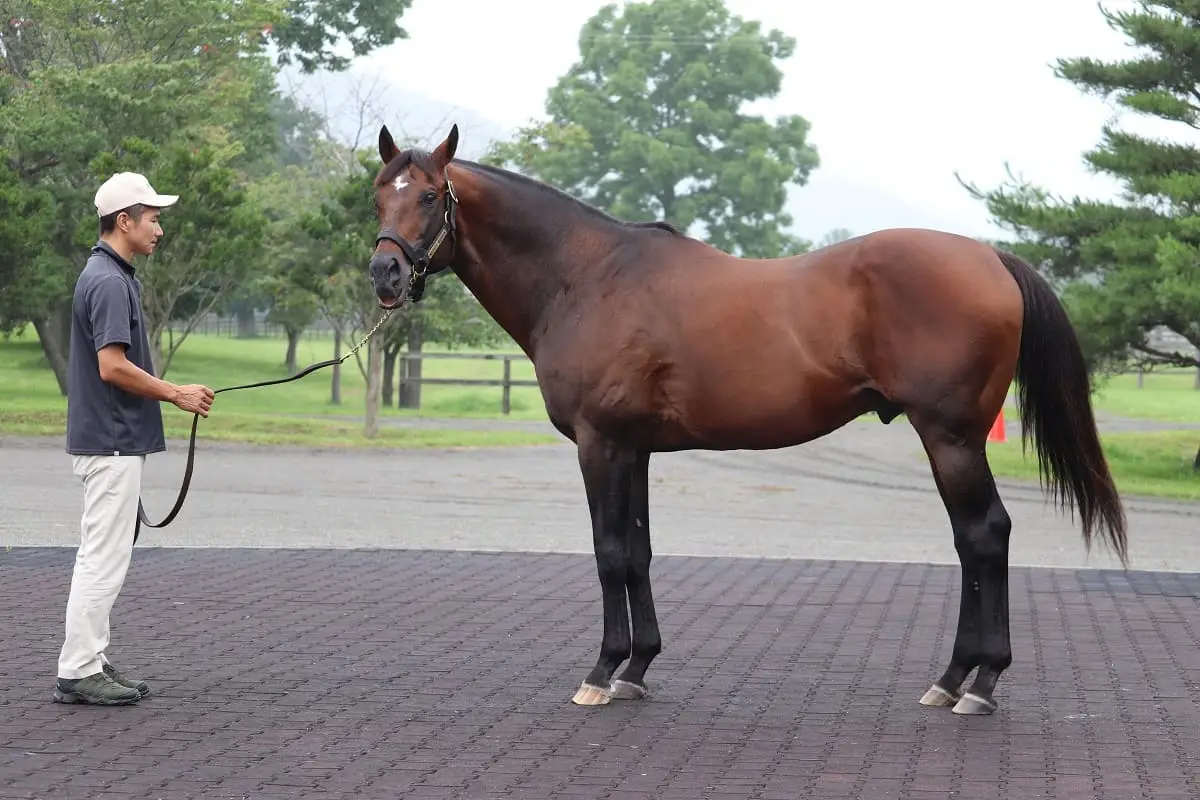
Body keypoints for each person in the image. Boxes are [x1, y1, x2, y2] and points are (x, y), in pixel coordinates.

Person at [54, 172, 215, 705]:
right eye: (152, 218)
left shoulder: (113, 275)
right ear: (124, 221)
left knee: (104, 554)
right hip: (110, 441)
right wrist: (176, 394)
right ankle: (79, 668)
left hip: (111, 439)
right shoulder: (106, 281)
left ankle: (90, 659)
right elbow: (112, 367)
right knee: (103, 557)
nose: (159, 229)